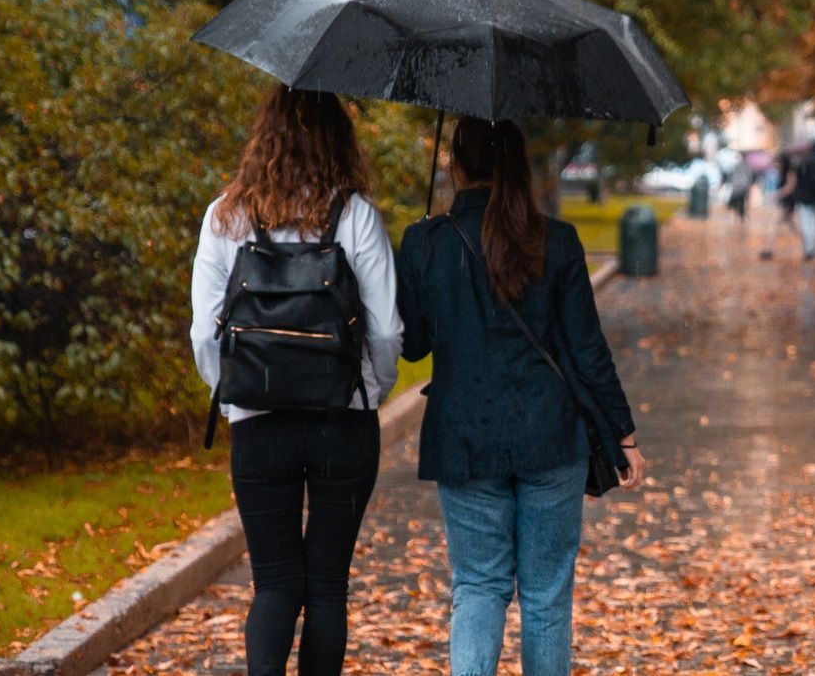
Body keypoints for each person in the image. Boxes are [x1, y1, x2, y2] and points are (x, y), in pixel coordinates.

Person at [396, 118, 648, 676]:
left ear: (456, 165)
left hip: (464, 436)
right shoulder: (556, 240)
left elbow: (411, 346)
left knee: (477, 586)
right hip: (550, 435)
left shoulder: (426, 242)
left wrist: (421, 272)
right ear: (516, 163)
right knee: (546, 596)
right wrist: (623, 434)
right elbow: (587, 349)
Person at [188, 84, 401, 676]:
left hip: (259, 422)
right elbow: (386, 330)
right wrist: (372, 391)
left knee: (275, 582)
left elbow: (205, 333)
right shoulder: (355, 216)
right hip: (342, 421)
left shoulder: (225, 217)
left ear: (264, 138)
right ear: (338, 140)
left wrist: (234, 399)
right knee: (328, 585)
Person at [777, 140, 815, 261]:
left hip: (805, 200)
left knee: (807, 225)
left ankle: (810, 250)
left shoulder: (801, 163)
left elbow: (794, 182)